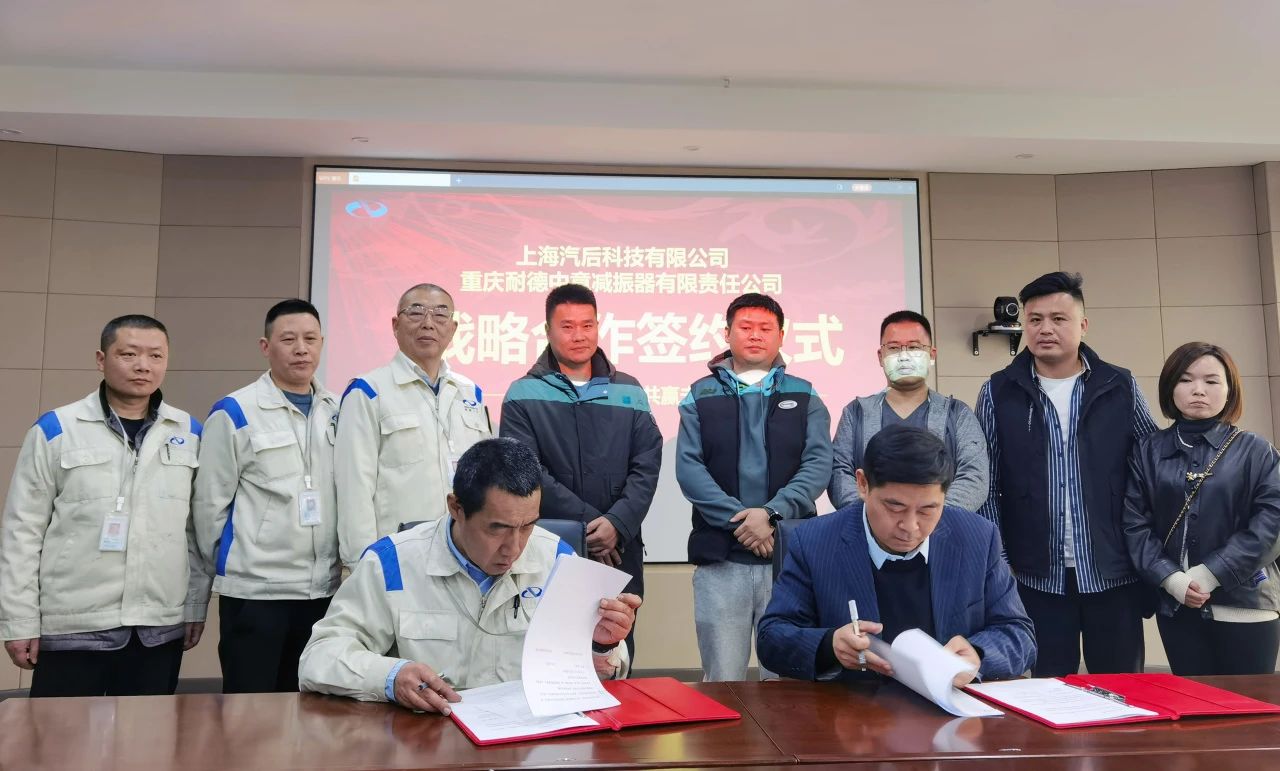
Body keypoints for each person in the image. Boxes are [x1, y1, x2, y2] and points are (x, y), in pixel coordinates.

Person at [299, 438, 639, 711]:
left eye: (527, 526)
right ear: (456, 508)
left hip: (527, 744)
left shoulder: (558, 560)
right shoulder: (392, 564)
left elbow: (592, 678)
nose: (514, 547)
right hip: (428, 740)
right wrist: (390, 676)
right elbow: (320, 657)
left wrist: (601, 644)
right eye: (498, 528)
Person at [0, 315, 206, 697]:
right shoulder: (57, 429)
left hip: (157, 628)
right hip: (73, 627)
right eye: (129, 354)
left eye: (156, 356)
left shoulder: (189, 432)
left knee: (147, 735)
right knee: (61, 735)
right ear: (101, 359)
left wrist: (194, 607)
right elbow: (21, 532)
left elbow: (195, 533)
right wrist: (19, 620)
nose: (143, 365)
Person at [975, 271, 1158, 677]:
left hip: (1113, 571)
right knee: (1046, 689)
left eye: (1058, 319)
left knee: (1122, 690)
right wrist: (999, 561)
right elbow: (987, 485)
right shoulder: (998, 391)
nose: (1045, 329)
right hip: (1035, 576)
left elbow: (1153, 466)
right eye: (1035, 319)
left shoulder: (1120, 385)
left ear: (1083, 325)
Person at [758, 426, 1035, 683]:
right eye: (895, 507)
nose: (910, 526)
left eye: (928, 510)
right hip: (854, 709)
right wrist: (830, 645)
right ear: (862, 484)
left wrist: (977, 655)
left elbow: (1019, 634)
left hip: (948, 706)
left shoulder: (977, 537)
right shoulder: (815, 541)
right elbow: (772, 637)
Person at [676, 292, 833, 681]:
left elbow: (817, 464)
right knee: (722, 679)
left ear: (781, 336)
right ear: (727, 333)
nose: (755, 335)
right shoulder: (699, 394)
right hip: (720, 561)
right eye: (745, 327)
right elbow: (690, 469)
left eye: (766, 328)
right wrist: (746, 523)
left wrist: (772, 515)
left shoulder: (805, 394)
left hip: (788, 562)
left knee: (787, 683)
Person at [499, 284, 662, 657]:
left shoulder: (630, 390)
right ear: (548, 330)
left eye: (587, 325)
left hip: (619, 549)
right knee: (551, 652)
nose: (579, 336)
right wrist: (589, 526)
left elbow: (647, 463)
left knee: (614, 651)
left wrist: (617, 524)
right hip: (550, 545)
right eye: (567, 326)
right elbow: (526, 470)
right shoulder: (522, 393)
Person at [193, 299, 341, 693]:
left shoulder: (338, 409)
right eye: (288, 340)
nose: (301, 349)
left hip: (322, 591)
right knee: (250, 708)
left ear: (322, 343)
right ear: (265, 346)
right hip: (257, 593)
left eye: (310, 339)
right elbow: (208, 507)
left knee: (310, 705)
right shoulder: (235, 411)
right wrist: (237, 562)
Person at [1124, 342, 1280, 675]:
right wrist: (1170, 579)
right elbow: (1135, 525)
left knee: (1247, 706)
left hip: (1246, 603)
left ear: (1230, 389)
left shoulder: (1256, 450)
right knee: (1192, 703)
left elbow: (1272, 523)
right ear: (1170, 387)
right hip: (1177, 605)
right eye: (1186, 380)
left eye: (1211, 381)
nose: (1198, 390)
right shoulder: (1148, 451)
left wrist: (1210, 574)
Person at [334, 283, 492, 568]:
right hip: (398, 555)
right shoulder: (369, 391)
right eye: (416, 312)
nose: (428, 323)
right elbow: (353, 488)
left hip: (464, 552)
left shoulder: (471, 393)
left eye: (440, 315)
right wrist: (362, 564)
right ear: (395, 325)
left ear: (453, 329)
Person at [830, 310, 988, 512]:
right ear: (881, 356)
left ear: (932, 354)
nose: (904, 356)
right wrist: (873, 516)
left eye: (914, 347)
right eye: (894, 348)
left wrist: (930, 515)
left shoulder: (957, 414)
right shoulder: (855, 413)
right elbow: (839, 472)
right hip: (868, 526)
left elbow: (975, 475)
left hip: (943, 526)